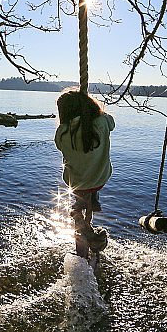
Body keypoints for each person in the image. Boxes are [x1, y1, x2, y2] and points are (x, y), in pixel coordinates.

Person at [54, 88, 115, 259]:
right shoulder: (102, 122)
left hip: (75, 181)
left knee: (81, 184)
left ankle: (80, 207)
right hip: (100, 178)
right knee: (91, 182)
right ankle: (91, 201)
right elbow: (111, 122)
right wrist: (92, 108)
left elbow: (59, 146)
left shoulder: (62, 132)